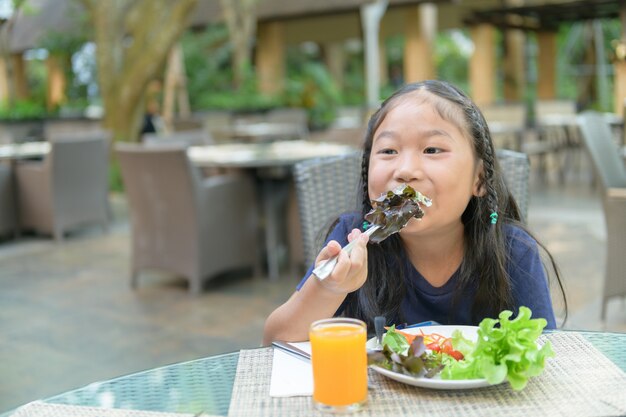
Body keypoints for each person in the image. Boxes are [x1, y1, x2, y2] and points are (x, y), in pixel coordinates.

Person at [263, 80, 567, 344]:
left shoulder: (513, 251)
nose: (405, 170)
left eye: (432, 150)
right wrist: (328, 287)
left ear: (480, 179)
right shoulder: (351, 239)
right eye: (388, 151)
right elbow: (275, 339)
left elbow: (544, 357)